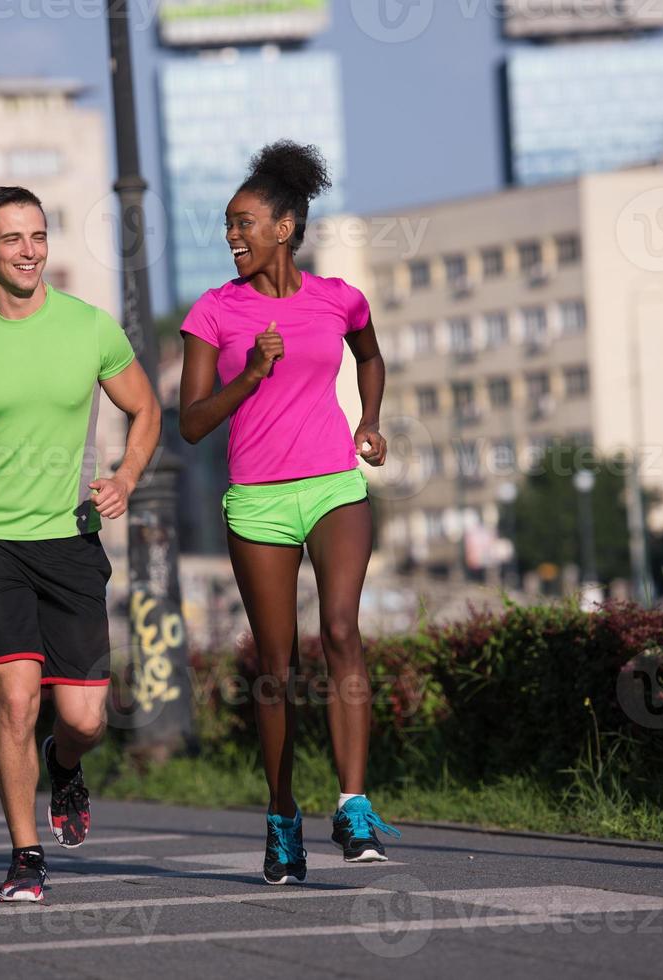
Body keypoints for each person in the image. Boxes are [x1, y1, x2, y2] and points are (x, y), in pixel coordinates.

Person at [0, 186, 160, 902]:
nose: (28, 250)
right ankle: (24, 854)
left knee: (81, 718)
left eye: (37, 235)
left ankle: (64, 764)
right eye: (11, 239)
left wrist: (127, 476)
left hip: (71, 540)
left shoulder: (89, 328)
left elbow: (143, 408)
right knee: (14, 700)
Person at [177, 141, 398, 885]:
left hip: (334, 483)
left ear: (286, 225)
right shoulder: (214, 311)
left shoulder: (337, 298)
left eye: (244, 223)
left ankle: (353, 802)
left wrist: (369, 419)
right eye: (227, 226)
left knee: (340, 628)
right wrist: (253, 373)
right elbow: (193, 422)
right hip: (257, 500)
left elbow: (368, 354)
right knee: (276, 667)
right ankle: (280, 816)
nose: (232, 236)